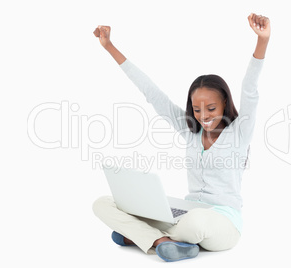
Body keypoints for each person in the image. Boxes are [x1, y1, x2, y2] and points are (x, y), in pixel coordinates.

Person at [92, 13, 270, 262]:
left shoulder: (239, 131)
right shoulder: (190, 131)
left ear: (225, 104)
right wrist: (110, 46)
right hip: (185, 213)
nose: (203, 116)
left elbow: (250, 89)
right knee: (103, 203)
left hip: (223, 222)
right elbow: (152, 92)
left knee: (194, 223)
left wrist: (263, 40)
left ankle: (142, 236)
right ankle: (163, 241)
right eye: (197, 109)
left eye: (211, 108)